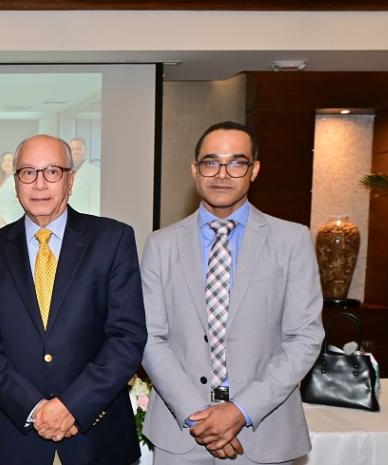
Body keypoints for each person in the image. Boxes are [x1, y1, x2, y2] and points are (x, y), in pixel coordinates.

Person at [140, 121, 324, 464]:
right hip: (181, 435)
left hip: (265, 433)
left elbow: (304, 337)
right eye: (210, 162)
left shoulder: (292, 241)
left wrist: (240, 411)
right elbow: (150, 337)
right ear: (195, 170)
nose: (221, 174)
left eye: (237, 162)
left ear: (254, 170)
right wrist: (202, 418)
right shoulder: (160, 245)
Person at [0, 135, 146, 465]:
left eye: (52, 171)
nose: (39, 184)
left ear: (71, 179)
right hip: (24, 440)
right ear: (15, 181)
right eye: (27, 172)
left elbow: (127, 337)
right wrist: (35, 410)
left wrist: (73, 406)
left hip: (98, 438)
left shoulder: (112, 239)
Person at [68, 138, 100, 216]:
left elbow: (95, 202)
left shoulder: (94, 172)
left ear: (85, 151)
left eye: (78, 149)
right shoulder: (66, 171)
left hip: (85, 218)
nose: (75, 152)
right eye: (72, 149)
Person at [0, 151, 23, 227]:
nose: (6, 163)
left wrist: (5, 218)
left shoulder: (16, 180)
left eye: (9, 160)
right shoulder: (0, 182)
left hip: (8, 222)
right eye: (3, 161)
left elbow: (19, 203)